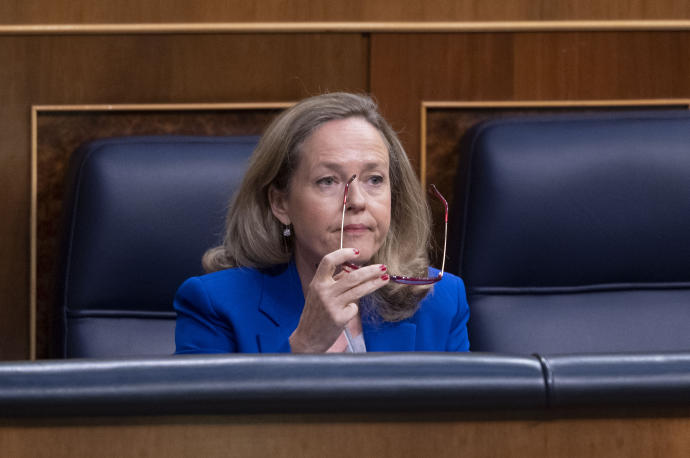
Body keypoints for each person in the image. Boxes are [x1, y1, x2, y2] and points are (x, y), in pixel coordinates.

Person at [174, 92, 469, 353]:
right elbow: (201, 416)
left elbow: (467, 416)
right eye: (328, 181)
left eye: (374, 179)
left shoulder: (440, 301)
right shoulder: (216, 304)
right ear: (280, 203)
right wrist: (304, 346)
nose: (356, 200)